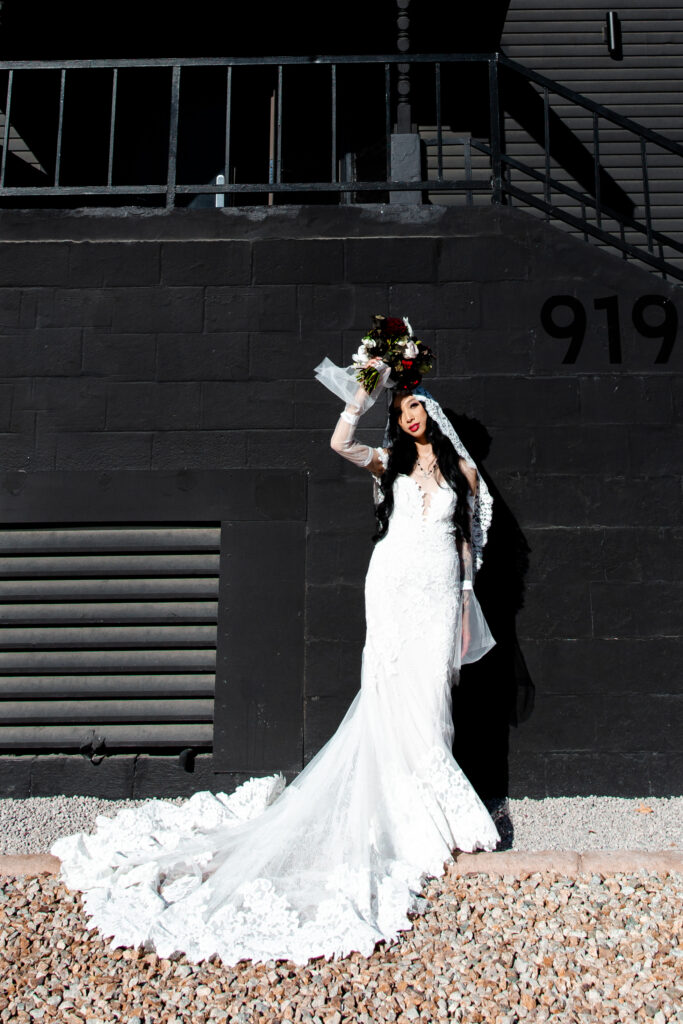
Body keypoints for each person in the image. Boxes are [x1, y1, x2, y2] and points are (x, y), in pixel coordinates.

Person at [52, 315, 500, 966]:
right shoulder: (388, 463)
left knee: (430, 693)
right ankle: (423, 817)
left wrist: (464, 598)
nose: (408, 420)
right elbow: (339, 442)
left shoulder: (459, 470)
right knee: (392, 697)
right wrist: (362, 395)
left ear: (430, 416)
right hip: (392, 589)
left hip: (437, 593)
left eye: (415, 410)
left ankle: (429, 806)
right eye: (400, 412)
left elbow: (468, 539)